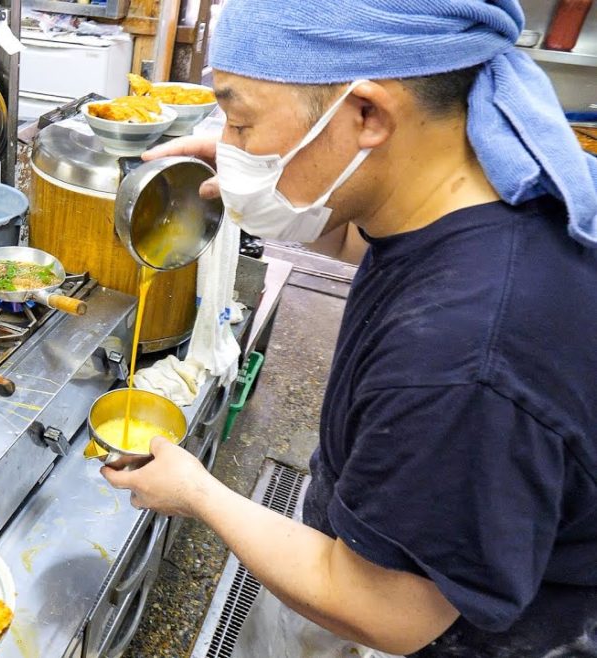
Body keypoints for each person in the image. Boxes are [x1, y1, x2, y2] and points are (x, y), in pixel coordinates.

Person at [101, 1, 597, 656]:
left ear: (367, 114)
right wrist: (261, 180)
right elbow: (373, 242)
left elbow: (388, 610)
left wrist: (197, 493)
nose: (230, 142)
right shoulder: (472, 185)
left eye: (241, 121)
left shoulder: (462, 357)